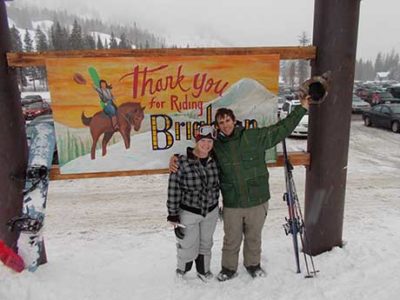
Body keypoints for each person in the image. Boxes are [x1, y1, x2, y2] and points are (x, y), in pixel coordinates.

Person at [170, 95, 310, 281]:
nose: (225, 125)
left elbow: (281, 129)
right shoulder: (216, 146)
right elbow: (197, 151)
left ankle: (253, 265)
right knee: (231, 239)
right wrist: (176, 159)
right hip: (232, 202)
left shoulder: (253, 137)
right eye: (221, 122)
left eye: (228, 120)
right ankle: (228, 269)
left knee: (254, 237)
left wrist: (302, 108)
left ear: (234, 121)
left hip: (257, 199)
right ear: (218, 127)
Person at [166, 125, 220, 281]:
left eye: (210, 141)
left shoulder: (214, 160)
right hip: (189, 212)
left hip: (210, 210)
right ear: (196, 141)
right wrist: (173, 214)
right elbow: (174, 188)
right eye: (203, 140)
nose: (206, 144)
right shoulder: (181, 162)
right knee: (188, 243)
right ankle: (182, 268)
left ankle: (203, 270)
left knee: (206, 243)